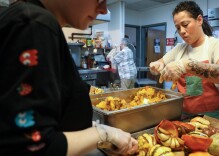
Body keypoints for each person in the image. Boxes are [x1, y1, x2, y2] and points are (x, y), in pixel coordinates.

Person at [0, 0, 138, 155]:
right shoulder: (33, 25)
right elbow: (30, 147)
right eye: (100, 0)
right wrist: (104, 134)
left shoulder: (39, 24)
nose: (104, 10)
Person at [149, 1, 219, 122]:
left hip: (217, 119)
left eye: (185, 24)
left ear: (199, 20)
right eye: (178, 27)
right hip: (187, 118)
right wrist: (156, 67)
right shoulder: (179, 49)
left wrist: (187, 65)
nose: (181, 31)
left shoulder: (217, 45)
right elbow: (159, 65)